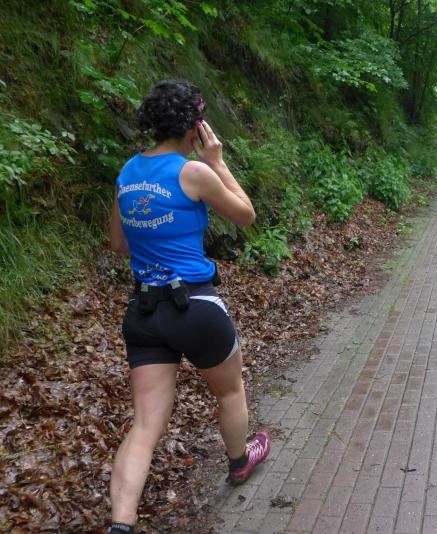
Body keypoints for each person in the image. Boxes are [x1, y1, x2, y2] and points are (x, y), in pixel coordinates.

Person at [107, 80, 270, 534]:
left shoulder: (127, 172)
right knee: (230, 391)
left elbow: (118, 244)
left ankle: (121, 524)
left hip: (143, 312)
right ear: (195, 126)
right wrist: (217, 161)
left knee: (144, 426)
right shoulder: (193, 172)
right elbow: (246, 215)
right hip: (195, 306)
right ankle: (239, 461)